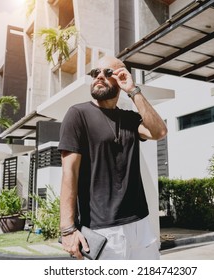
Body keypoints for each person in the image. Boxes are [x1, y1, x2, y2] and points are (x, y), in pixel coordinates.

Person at [58, 55, 167, 260]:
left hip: (140, 224)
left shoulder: (130, 119)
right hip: (102, 229)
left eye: (107, 73)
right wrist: (67, 229)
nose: (99, 76)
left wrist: (133, 91)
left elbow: (159, 132)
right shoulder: (77, 114)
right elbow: (69, 173)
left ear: (121, 78)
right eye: (95, 73)